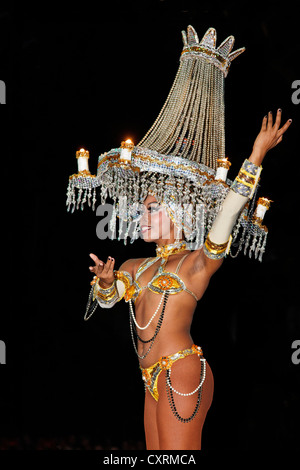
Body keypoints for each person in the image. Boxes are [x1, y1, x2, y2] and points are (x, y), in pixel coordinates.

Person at [88, 110, 292, 450]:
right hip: (149, 377)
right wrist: (107, 283)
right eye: (142, 209)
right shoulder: (134, 265)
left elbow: (228, 212)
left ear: (178, 215)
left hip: (181, 371)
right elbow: (107, 299)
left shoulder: (195, 264)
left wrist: (256, 155)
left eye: (152, 209)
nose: (142, 216)